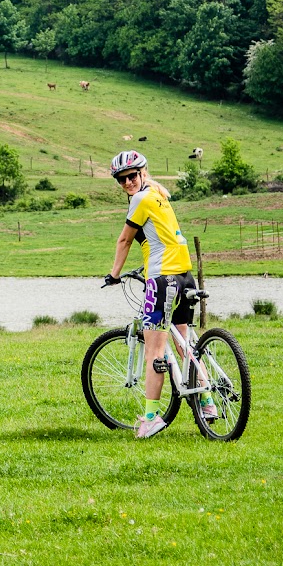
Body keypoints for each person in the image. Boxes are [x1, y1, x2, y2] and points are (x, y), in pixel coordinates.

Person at [103, 150, 216, 438]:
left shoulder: (140, 199)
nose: (127, 182)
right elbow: (159, 238)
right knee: (184, 344)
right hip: (184, 275)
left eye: (132, 176)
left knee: (155, 349)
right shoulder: (158, 194)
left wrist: (114, 275)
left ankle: (152, 418)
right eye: (122, 179)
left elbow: (125, 239)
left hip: (162, 280)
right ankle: (207, 402)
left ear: (142, 173)